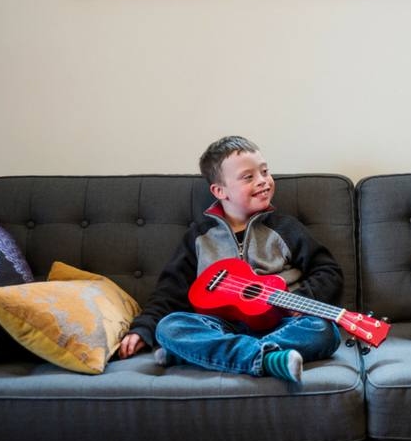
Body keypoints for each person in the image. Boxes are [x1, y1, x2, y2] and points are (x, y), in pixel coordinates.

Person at [118, 136, 342, 382]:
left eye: (265, 171)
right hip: (220, 328)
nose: (263, 181)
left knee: (325, 331)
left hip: (281, 324)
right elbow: (169, 292)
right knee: (169, 327)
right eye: (248, 177)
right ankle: (266, 359)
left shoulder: (286, 228)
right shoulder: (198, 238)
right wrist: (143, 328)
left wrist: (299, 301)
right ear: (219, 191)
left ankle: (202, 355)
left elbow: (328, 271)